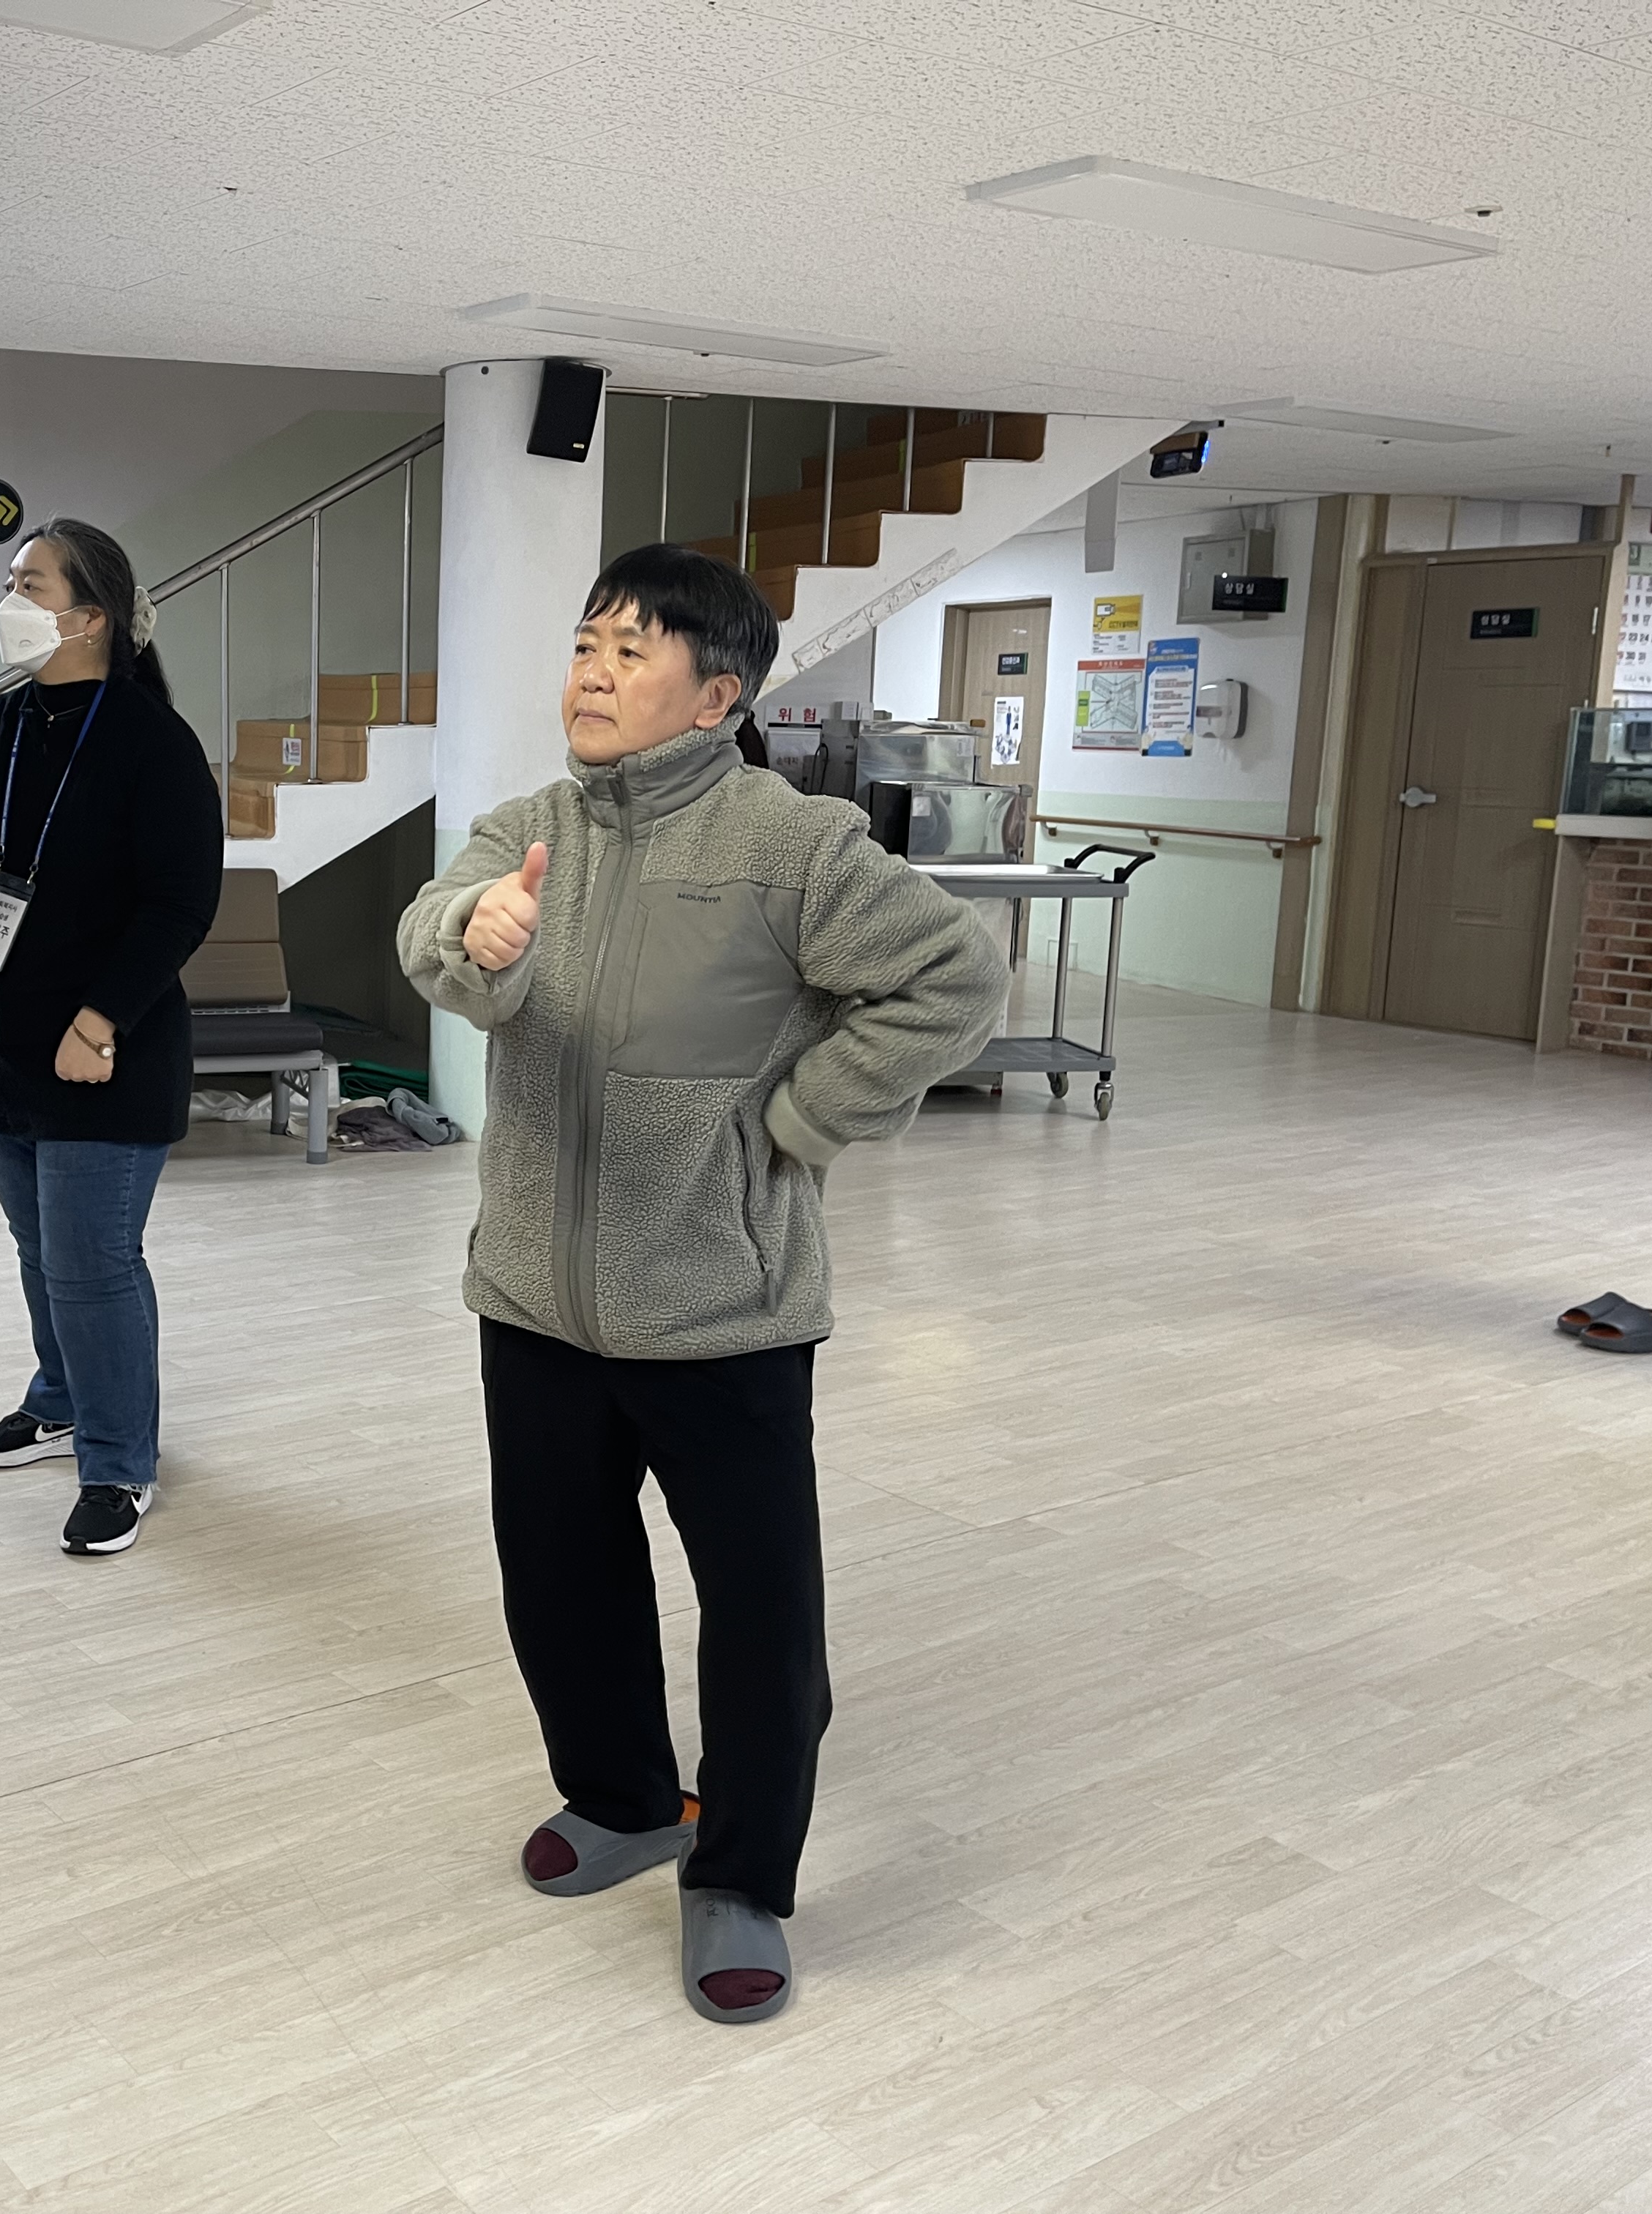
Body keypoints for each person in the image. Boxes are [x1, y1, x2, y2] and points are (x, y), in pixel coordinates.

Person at [395, 545, 1007, 2025]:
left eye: (632, 650)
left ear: (716, 695)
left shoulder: (792, 844)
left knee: (759, 1614)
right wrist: (473, 933)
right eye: (586, 644)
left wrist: (796, 1122)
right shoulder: (528, 828)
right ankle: (622, 1798)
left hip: (721, 1305)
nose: (593, 673)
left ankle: (740, 1873)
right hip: (534, 1298)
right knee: (560, 1578)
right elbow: (434, 932)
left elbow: (953, 974)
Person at [0, 520, 223, 1554]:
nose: (10, 601)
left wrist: (100, 1017)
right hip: (8, 1045)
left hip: (107, 1051)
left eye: (30, 585)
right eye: (10, 581)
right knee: (41, 1251)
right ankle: (61, 1400)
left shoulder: (151, 741)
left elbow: (181, 903)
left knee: (93, 1263)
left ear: (90, 618)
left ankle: (119, 1463)